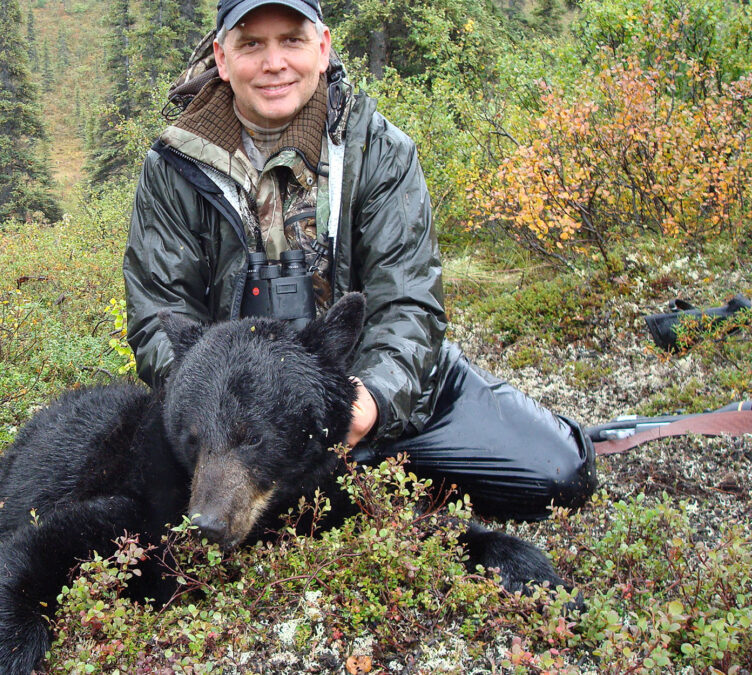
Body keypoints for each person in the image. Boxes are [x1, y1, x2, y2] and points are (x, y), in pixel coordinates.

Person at [123, 0, 596, 521]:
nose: (274, 62)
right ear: (221, 55)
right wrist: (209, 413)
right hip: (236, 423)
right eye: (251, 43)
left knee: (560, 474)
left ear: (323, 47)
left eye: (292, 40)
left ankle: (376, 462)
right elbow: (160, 316)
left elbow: (409, 304)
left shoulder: (379, 150)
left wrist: (373, 398)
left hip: (376, 387)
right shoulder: (173, 167)